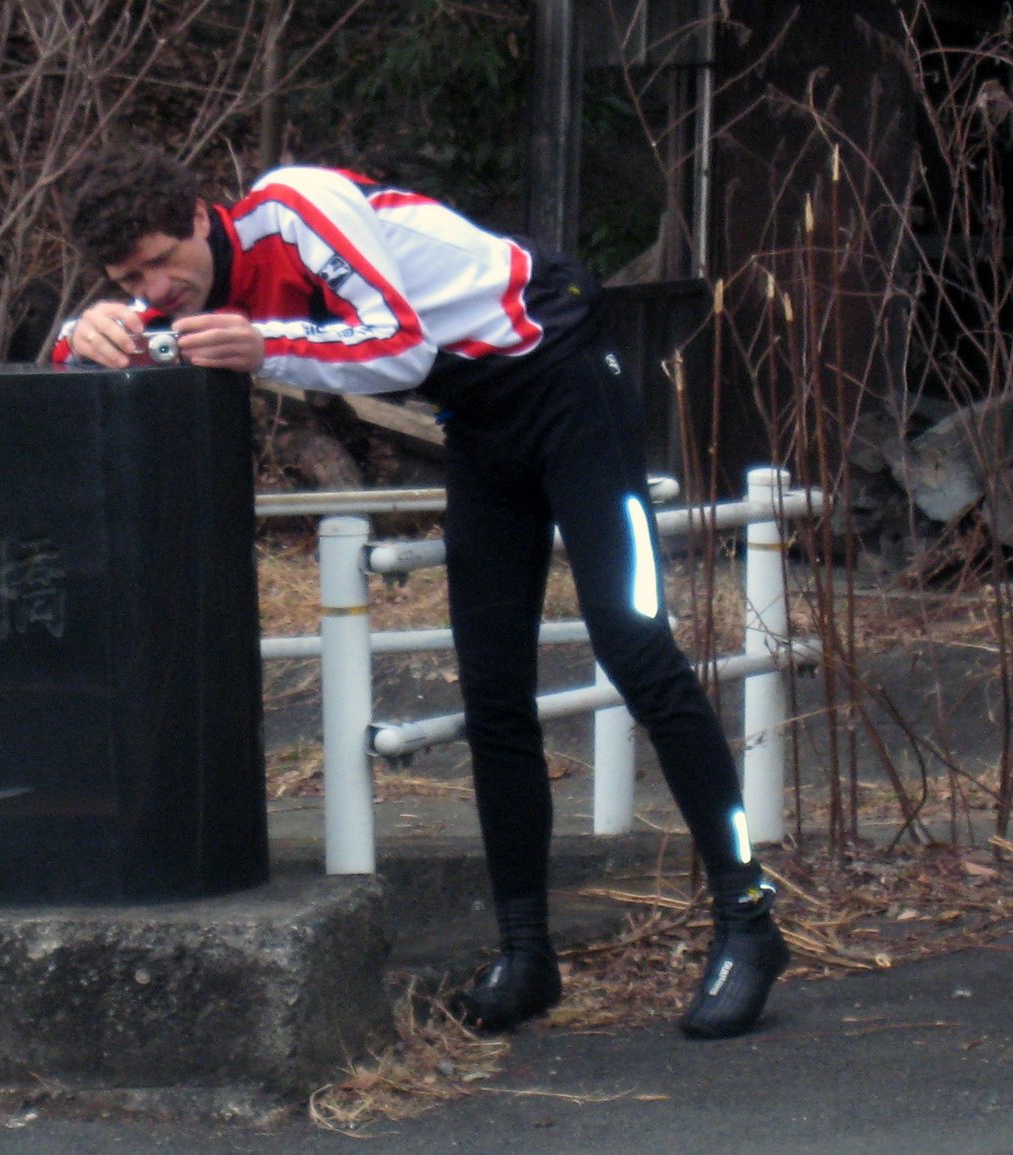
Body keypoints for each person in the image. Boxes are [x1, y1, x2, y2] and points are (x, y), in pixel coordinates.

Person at [54, 142, 790, 1040]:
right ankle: (526, 953)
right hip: (477, 421)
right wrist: (81, 334)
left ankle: (748, 918)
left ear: (202, 217)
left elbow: (400, 346)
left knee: (635, 646)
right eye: (129, 279)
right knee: (491, 687)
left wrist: (266, 348)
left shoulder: (296, 206)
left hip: (562, 370)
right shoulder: (174, 297)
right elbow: (86, 361)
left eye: (163, 262)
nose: (156, 289)